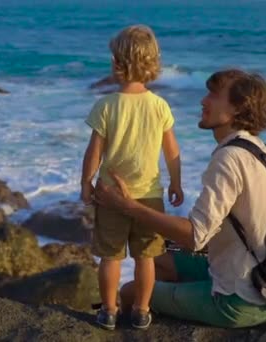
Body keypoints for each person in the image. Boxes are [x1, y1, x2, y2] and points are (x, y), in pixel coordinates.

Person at [95, 69, 266, 328]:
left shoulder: (229, 158)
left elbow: (195, 236)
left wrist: (128, 206)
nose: (203, 101)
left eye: (213, 95)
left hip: (236, 299)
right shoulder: (259, 150)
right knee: (154, 260)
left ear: (238, 109)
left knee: (131, 292)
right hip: (256, 279)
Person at [80, 24, 184, 330]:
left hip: (111, 194)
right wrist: (176, 183)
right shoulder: (159, 105)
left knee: (110, 258)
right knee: (146, 258)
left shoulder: (107, 105)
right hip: (149, 196)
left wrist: (86, 183)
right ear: (154, 64)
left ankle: (109, 311)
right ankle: (141, 310)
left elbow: (94, 152)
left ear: (116, 64)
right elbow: (172, 151)